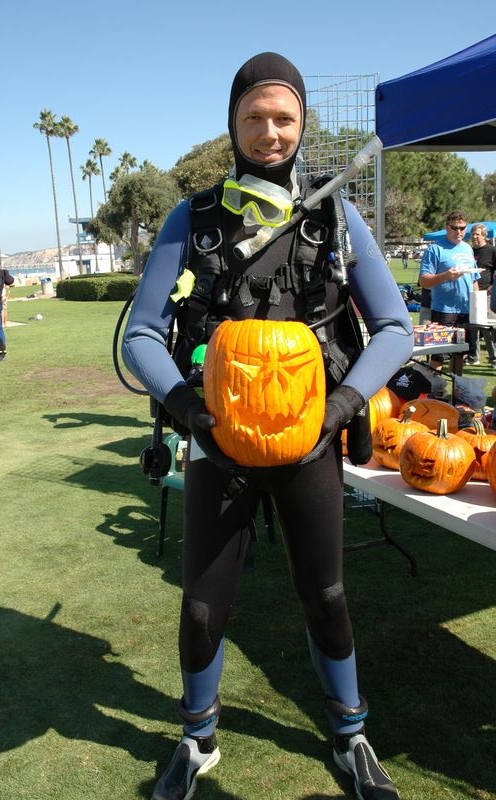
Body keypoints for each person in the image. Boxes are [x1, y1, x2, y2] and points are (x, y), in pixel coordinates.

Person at [122, 52, 413, 800]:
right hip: (219, 445)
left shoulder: (336, 214)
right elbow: (142, 336)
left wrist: (342, 407)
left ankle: (351, 736)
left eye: (284, 117)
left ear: (302, 124)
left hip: (309, 439)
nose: (269, 131)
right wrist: (189, 412)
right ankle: (197, 740)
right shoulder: (192, 217)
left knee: (326, 594)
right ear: (233, 123)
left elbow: (393, 330)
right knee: (201, 601)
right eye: (254, 116)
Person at [418, 211, 480, 370]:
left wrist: (477, 306)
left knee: (460, 353)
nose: (459, 232)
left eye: (462, 228)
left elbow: (474, 280)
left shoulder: (467, 248)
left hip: (465, 309)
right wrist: (445, 276)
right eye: (455, 228)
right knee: (439, 354)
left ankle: (456, 390)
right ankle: (435, 390)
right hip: (444, 309)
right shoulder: (435, 249)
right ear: (447, 227)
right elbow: (423, 281)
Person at [469, 223, 496, 367]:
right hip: (473, 294)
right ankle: (474, 356)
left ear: (484, 235)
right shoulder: (470, 251)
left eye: (477, 234)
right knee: (473, 327)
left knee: (488, 328)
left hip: (487, 294)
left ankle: (494, 358)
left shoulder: (491, 250)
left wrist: (493, 286)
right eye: (473, 234)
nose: (474, 237)